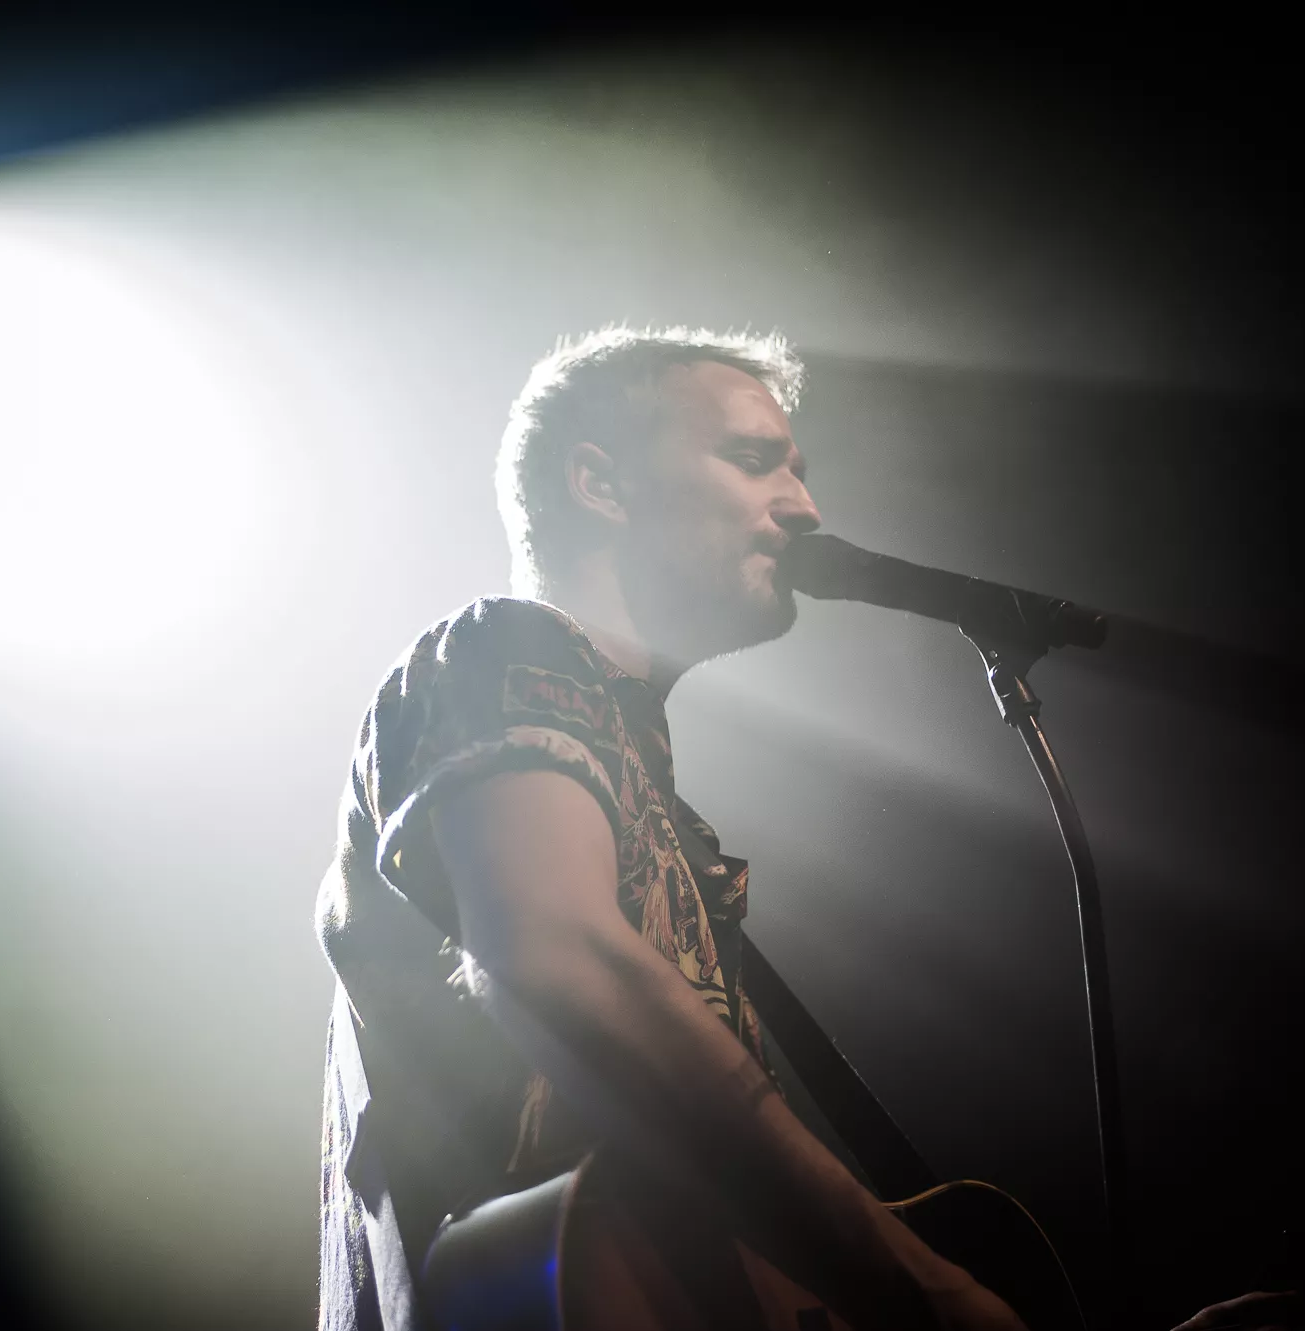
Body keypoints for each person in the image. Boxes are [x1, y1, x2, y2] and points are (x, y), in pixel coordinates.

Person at [313, 325, 1029, 1331]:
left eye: (797, 470)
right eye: (752, 458)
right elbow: (563, 960)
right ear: (599, 484)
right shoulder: (504, 644)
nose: (804, 506)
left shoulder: (665, 812)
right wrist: (929, 1289)